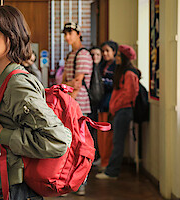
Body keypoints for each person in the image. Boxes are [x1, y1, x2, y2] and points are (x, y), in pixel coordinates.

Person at [0, 5, 72, 200]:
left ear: (13, 35)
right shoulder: (5, 79)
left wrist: (3, 134)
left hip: (14, 190)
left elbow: (58, 140)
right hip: (4, 186)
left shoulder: (17, 84)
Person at [96, 44, 140, 179]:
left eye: (120, 56)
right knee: (116, 141)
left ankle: (112, 172)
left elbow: (129, 95)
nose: (117, 58)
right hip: (118, 111)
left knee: (117, 142)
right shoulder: (123, 73)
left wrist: (115, 105)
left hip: (123, 111)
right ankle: (110, 170)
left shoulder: (129, 74)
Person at [61, 22, 93, 196]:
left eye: (70, 33)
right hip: (71, 104)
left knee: (81, 145)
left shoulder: (82, 55)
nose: (67, 37)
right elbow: (67, 82)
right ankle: (68, 182)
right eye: (65, 33)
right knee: (69, 144)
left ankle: (81, 182)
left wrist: (67, 91)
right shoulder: (71, 55)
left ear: (78, 34)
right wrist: (67, 85)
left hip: (79, 105)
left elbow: (77, 84)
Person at [96, 40, 118, 172]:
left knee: (108, 134)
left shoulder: (116, 66)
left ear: (114, 52)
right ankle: (102, 158)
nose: (105, 53)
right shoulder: (101, 65)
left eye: (107, 51)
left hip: (110, 104)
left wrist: (103, 82)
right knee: (100, 134)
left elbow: (114, 84)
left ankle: (106, 161)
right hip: (100, 102)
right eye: (103, 51)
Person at [89, 46, 103, 165]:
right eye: (92, 55)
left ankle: (98, 156)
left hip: (101, 105)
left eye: (98, 55)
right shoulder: (89, 69)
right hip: (90, 104)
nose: (95, 57)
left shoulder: (103, 68)